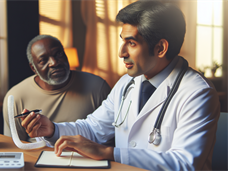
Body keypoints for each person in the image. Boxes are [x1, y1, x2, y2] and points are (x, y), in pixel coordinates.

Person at [20, 1, 221, 170]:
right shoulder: (127, 83)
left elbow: (184, 163)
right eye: (122, 41)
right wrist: (53, 130)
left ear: (160, 48)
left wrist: (108, 152)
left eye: (131, 43)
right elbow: (93, 128)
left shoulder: (198, 93)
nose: (121, 52)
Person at [3, 35, 111, 142]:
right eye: (43, 60)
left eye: (58, 54)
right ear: (33, 68)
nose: (54, 62)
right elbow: (14, 148)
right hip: (37, 157)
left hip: (88, 158)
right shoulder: (16, 97)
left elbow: (110, 139)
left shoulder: (98, 87)